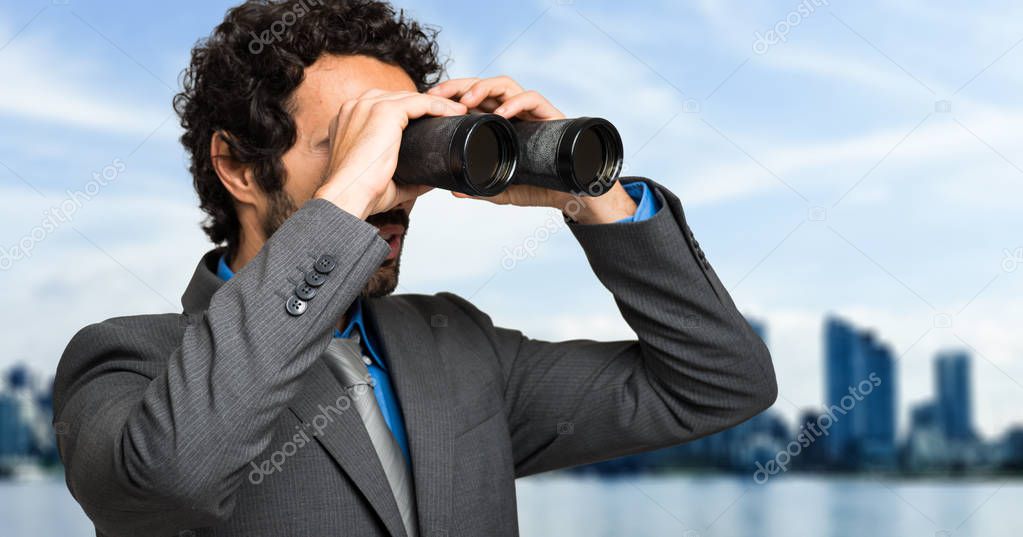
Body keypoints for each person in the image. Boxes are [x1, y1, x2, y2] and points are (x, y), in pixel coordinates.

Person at [53, 1, 777, 536]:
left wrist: (588, 194)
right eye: (350, 144)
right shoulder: (129, 360)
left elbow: (719, 382)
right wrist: (347, 197)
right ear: (239, 167)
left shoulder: (455, 344)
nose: (391, 185)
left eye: (403, 144)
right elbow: (170, 482)